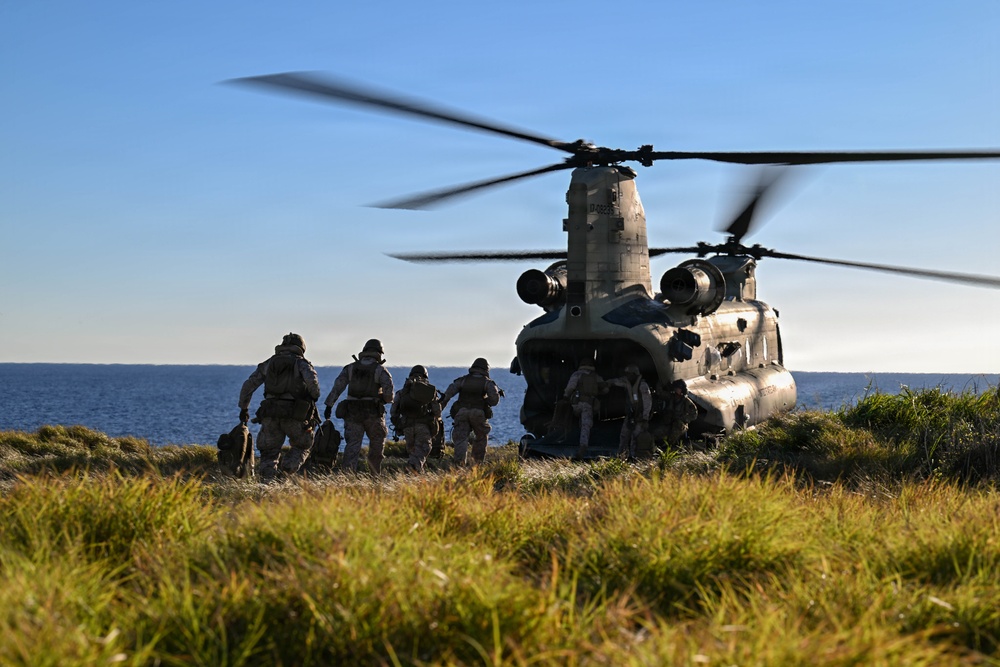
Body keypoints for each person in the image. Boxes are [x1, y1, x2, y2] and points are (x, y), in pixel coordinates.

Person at [238, 332, 321, 481]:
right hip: (295, 414)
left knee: (269, 452)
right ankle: (285, 474)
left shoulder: (269, 363)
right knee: (302, 446)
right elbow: (313, 385)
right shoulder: (302, 363)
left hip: (270, 413)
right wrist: (313, 396)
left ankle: (267, 483)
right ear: (301, 347)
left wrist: (244, 408)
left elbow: (248, 386)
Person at [323, 339, 394, 474]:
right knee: (377, 446)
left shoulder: (350, 368)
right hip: (373, 414)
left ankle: (347, 476)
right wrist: (382, 398)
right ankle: (374, 476)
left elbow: (337, 388)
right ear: (379, 353)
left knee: (352, 446)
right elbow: (389, 395)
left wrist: (329, 406)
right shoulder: (380, 370)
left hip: (352, 414)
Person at [439, 358, 502, 465]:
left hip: (462, 413)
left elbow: (447, 395)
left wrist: (438, 411)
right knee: (481, 437)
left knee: (461, 439)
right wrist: (485, 401)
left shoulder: (462, 380)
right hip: (478, 414)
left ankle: (459, 464)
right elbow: (494, 401)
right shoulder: (487, 383)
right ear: (486, 369)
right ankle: (476, 465)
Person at [390, 365, 442, 472]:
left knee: (413, 452)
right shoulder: (429, 391)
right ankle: (411, 469)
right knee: (424, 448)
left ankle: (416, 475)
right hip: (423, 426)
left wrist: (398, 424)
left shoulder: (402, 392)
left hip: (407, 426)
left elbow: (393, 411)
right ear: (425, 376)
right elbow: (437, 411)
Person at [608, 364, 652, 459]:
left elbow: (647, 402)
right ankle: (621, 456)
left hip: (640, 417)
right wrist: (607, 383)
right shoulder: (627, 383)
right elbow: (617, 382)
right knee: (624, 436)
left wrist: (645, 418)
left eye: (629, 374)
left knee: (635, 438)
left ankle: (634, 458)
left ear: (634, 374)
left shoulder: (643, 386)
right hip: (630, 415)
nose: (627, 376)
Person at [563, 359, 605, 456]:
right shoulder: (596, 376)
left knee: (574, 421)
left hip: (576, 403)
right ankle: (583, 445)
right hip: (589, 404)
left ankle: (571, 441)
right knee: (586, 425)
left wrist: (566, 396)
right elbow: (605, 389)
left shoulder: (576, 374)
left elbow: (570, 388)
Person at [662, 379, 698, 446]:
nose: (676, 390)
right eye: (675, 388)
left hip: (680, 424)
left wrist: (684, 419)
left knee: (678, 426)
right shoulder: (671, 398)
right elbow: (661, 394)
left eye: (678, 388)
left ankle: (669, 444)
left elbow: (694, 414)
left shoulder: (686, 401)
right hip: (670, 421)